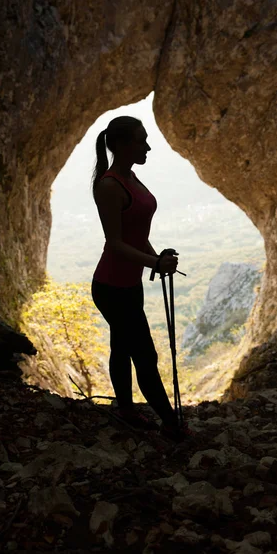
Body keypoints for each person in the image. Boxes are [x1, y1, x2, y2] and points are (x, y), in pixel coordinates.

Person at [91, 115, 190, 441]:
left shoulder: (131, 178)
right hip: (110, 286)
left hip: (128, 285)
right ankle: (171, 423)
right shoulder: (109, 186)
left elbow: (134, 234)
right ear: (120, 145)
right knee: (144, 354)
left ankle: (127, 411)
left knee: (122, 346)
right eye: (140, 140)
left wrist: (155, 259)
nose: (147, 146)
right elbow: (115, 244)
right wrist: (153, 261)